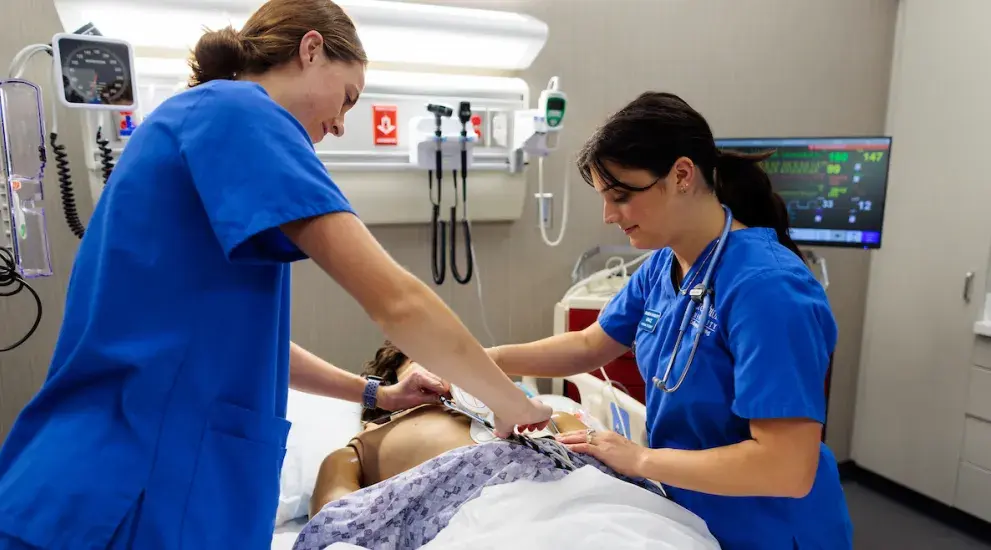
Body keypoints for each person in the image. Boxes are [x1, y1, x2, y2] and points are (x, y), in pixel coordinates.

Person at [0, 1, 550, 548]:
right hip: (132, 482)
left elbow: (243, 343)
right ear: (311, 50)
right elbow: (397, 302)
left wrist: (376, 395)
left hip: (109, 474)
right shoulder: (240, 112)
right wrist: (513, 406)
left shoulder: (197, 120)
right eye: (347, 98)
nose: (338, 124)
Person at [487, 92, 853, 549]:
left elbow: (786, 468)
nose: (608, 216)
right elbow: (590, 346)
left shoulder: (768, 290)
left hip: (769, 528)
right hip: (688, 515)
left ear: (681, 175)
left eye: (620, 196)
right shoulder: (666, 264)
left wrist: (640, 459)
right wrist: (484, 362)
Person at [309, 341, 590, 515]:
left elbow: (607, 476)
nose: (449, 371)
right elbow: (333, 525)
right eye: (426, 363)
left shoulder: (554, 419)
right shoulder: (364, 445)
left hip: (575, 511)